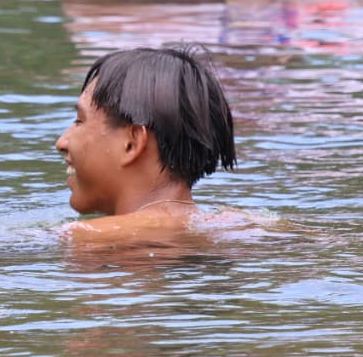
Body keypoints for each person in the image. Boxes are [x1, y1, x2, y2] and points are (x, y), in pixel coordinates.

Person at [55, 46, 236, 244]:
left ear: (131, 144)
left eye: (80, 121)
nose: (61, 142)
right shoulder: (237, 225)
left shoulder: (84, 237)